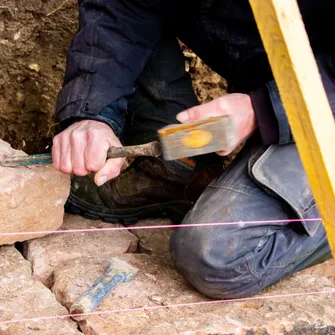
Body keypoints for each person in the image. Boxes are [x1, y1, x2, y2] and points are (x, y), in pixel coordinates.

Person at [52, 0, 335, 299]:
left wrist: (264, 109)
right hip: (270, 74)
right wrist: (92, 114)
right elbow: (120, 7)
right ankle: (179, 172)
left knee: (217, 255)